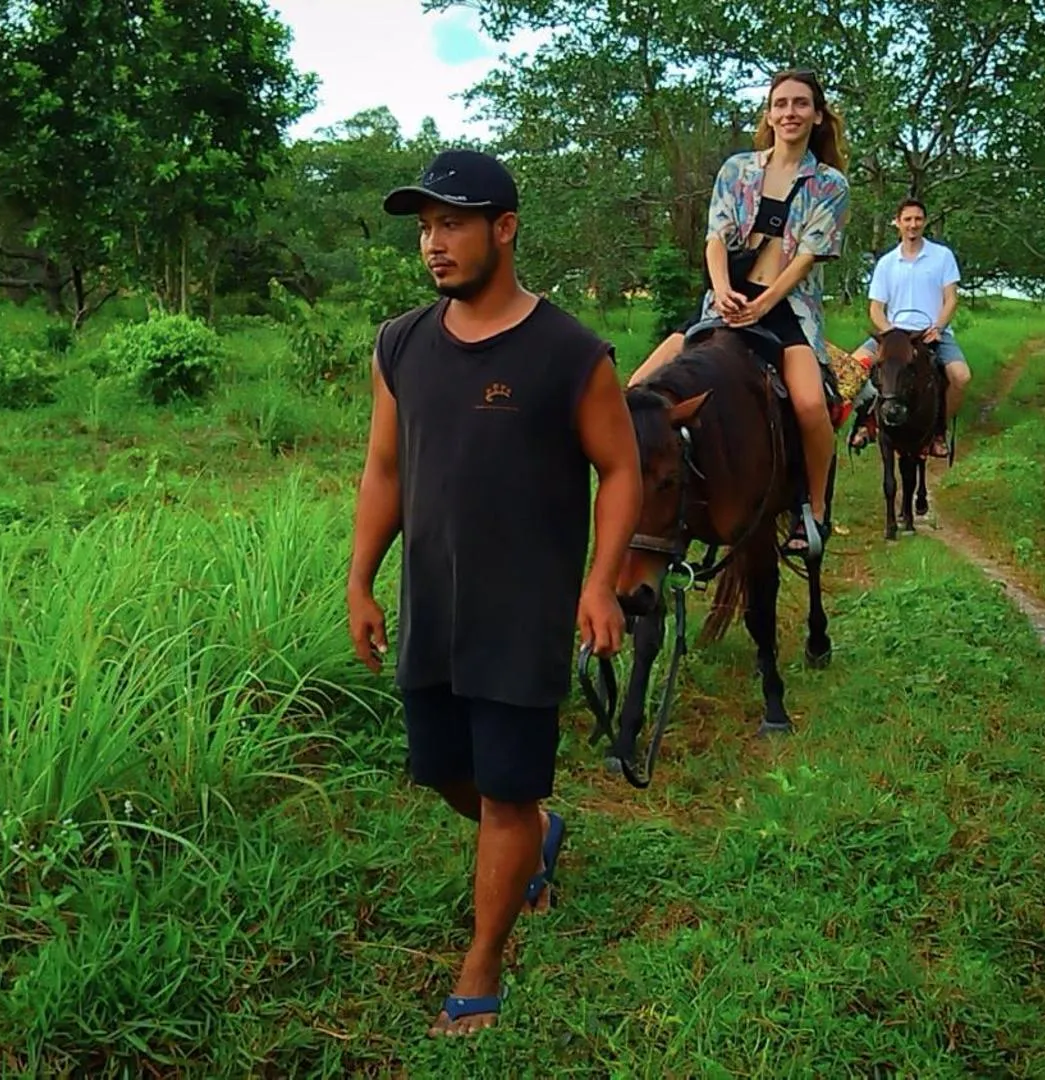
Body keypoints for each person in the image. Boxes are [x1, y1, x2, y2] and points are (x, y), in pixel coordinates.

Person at [345, 149, 642, 1038]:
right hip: (431, 602)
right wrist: (359, 579)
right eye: (426, 227)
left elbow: (621, 470)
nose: (434, 244)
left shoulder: (568, 352)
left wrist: (600, 583)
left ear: (504, 229)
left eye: (453, 224)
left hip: (523, 613)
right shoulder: (400, 343)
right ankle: (536, 838)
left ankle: (480, 971)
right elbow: (385, 467)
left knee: (506, 794)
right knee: (442, 770)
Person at [626, 68, 851, 558]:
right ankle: (635, 497)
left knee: (812, 405)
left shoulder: (829, 184)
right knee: (636, 392)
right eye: (781, 104)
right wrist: (724, 291)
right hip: (725, 300)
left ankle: (812, 510)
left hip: (785, 308)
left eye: (800, 104)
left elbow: (807, 256)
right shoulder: (737, 169)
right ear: (769, 114)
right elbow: (715, 238)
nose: (790, 113)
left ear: (816, 115)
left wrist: (764, 305)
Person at [847, 198, 969, 459]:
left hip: (930, 332)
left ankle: (938, 431)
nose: (913, 225)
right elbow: (876, 308)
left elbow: (951, 299)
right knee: (852, 369)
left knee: (961, 377)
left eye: (917, 219)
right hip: (894, 332)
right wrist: (890, 334)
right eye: (907, 220)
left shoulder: (942, 256)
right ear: (898, 223)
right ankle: (866, 422)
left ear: (924, 222)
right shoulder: (887, 263)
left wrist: (939, 326)